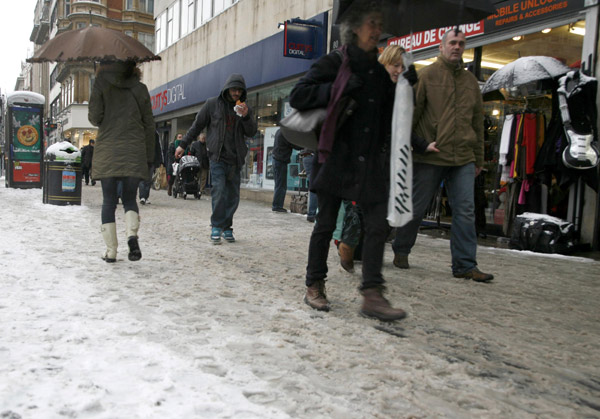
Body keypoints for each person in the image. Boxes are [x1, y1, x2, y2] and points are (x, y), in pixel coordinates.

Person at [289, 0, 406, 321]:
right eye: (372, 23)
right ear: (354, 27)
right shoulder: (337, 62)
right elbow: (297, 95)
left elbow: (392, 122)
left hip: (369, 163)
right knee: (325, 224)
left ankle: (372, 293)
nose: (378, 30)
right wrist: (334, 90)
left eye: (380, 24)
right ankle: (314, 284)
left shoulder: (380, 74)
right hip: (335, 157)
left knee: (377, 225)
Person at [391, 29, 494, 282]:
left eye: (461, 43)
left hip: (464, 158)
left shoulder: (471, 81)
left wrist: (478, 159)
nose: (457, 47)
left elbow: (477, 124)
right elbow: (410, 117)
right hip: (431, 155)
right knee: (415, 208)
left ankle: (465, 264)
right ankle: (401, 249)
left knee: (466, 211)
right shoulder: (427, 76)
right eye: (452, 43)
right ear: (441, 46)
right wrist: (417, 145)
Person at [335, 44, 439, 273]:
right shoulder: (370, 87)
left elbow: (401, 129)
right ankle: (348, 245)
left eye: (403, 67)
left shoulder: (398, 93)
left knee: (378, 213)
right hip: (362, 159)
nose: (399, 70)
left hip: (387, 163)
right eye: (395, 65)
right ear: (385, 64)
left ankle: (368, 267)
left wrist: (423, 144)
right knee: (358, 208)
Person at [175, 74, 257, 244]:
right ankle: (216, 226)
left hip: (236, 159)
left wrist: (247, 116)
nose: (237, 93)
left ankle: (227, 226)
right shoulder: (212, 104)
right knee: (219, 191)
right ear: (227, 89)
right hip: (217, 157)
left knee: (233, 196)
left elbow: (251, 132)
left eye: (240, 90)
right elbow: (197, 125)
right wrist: (183, 145)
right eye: (234, 89)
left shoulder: (243, 108)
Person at [88, 60, 155, 263]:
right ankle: (132, 237)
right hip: (133, 150)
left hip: (109, 149)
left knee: (109, 201)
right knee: (129, 199)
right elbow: (149, 124)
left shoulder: (101, 83)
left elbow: (94, 117)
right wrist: (149, 157)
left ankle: (111, 252)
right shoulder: (140, 88)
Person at [271, 129, 301, 212]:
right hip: (280, 161)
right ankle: (277, 206)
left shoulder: (279, 131)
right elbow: (295, 145)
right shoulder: (285, 133)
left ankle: (277, 205)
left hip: (277, 160)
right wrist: (306, 145)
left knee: (279, 184)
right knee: (281, 185)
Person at [139, 131, 164, 205]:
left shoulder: (155, 134)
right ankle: (142, 196)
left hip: (151, 160)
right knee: (143, 179)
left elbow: (158, 147)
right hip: (142, 159)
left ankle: (145, 197)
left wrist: (160, 160)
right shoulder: (140, 132)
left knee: (148, 179)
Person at [300, 149, 318, 222]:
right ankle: (312, 214)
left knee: (314, 187)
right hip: (313, 156)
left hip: (307, 157)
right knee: (316, 188)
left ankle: (312, 213)